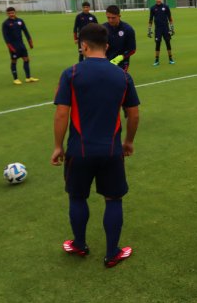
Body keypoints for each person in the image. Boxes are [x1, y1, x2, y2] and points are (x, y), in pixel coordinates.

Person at [52, 23, 139, 268]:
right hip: (112, 150)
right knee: (113, 200)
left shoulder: (71, 73)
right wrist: (128, 142)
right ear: (108, 47)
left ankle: (79, 244)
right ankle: (112, 252)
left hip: (79, 150)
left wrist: (58, 146)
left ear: (83, 46)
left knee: (77, 197)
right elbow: (133, 114)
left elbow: (61, 114)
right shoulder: (122, 75)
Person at [2, 7, 38, 85]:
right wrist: (10, 46)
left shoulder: (20, 21)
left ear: (15, 12)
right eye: (9, 13)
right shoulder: (5, 23)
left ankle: (28, 77)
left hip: (21, 45)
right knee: (14, 61)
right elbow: (5, 37)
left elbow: (25, 31)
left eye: (12, 13)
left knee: (26, 59)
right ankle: (15, 79)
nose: (11, 14)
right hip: (13, 46)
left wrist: (30, 41)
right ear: (7, 14)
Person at [103, 5, 136, 71]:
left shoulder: (128, 29)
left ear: (119, 16)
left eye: (113, 18)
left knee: (120, 80)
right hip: (105, 61)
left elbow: (132, 50)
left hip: (122, 63)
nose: (110, 20)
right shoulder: (102, 28)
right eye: (108, 17)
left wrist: (120, 57)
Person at [147, 0, 175, 65]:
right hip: (158, 29)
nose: (158, 0)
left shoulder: (166, 7)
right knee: (157, 44)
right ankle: (156, 60)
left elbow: (170, 18)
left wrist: (172, 28)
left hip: (166, 28)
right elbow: (150, 19)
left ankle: (171, 59)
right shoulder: (153, 8)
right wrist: (149, 30)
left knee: (168, 43)